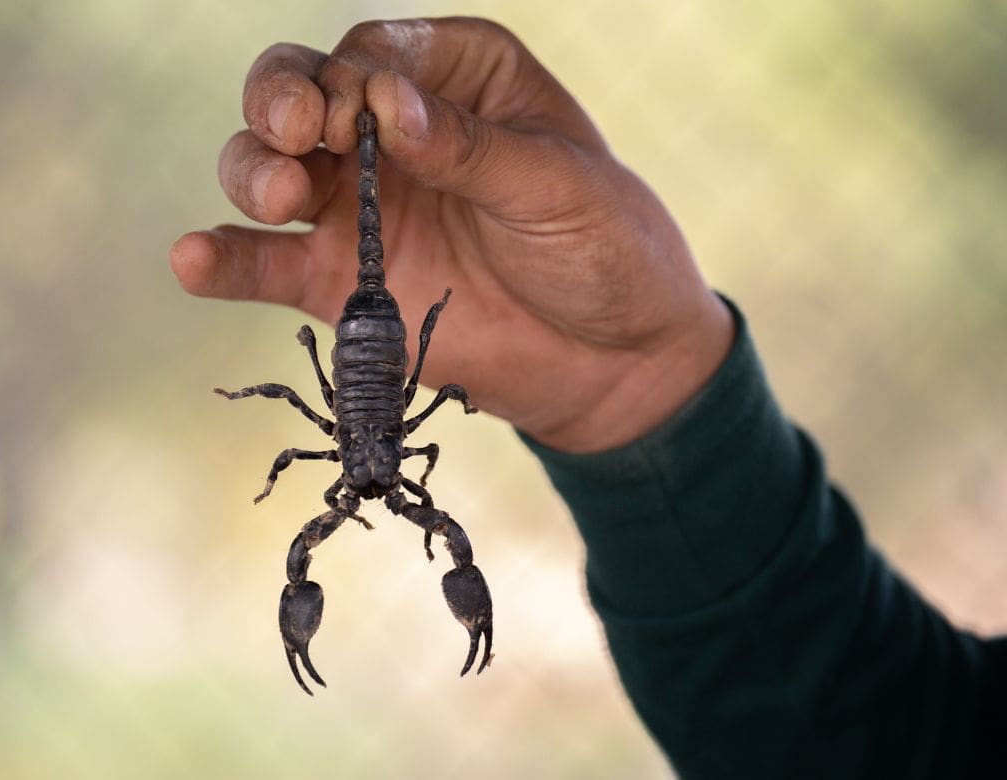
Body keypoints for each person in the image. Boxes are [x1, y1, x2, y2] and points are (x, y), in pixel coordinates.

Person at [169, 18, 1004, 778]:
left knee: (356, 483)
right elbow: (892, 740)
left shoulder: (354, 477)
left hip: (366, 361)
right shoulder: (402, 467)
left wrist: (626, 399)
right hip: (380, 355)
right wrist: (637, 395)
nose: (380, 498)